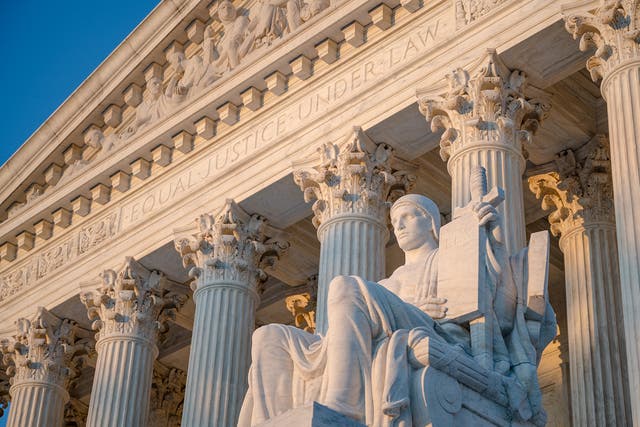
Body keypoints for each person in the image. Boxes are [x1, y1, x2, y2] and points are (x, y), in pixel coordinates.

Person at [238, 193, 548, 426]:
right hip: (392, 328)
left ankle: (342, 405)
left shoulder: (448, 259)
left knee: (345, 286)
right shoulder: (388, 283)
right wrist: (407, 306)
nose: (397, 225)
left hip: (437, 333)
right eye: (395, 220)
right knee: (269, 336)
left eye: (408, 216)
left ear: (431, 222)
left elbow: (501, 307)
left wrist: (489, 239)